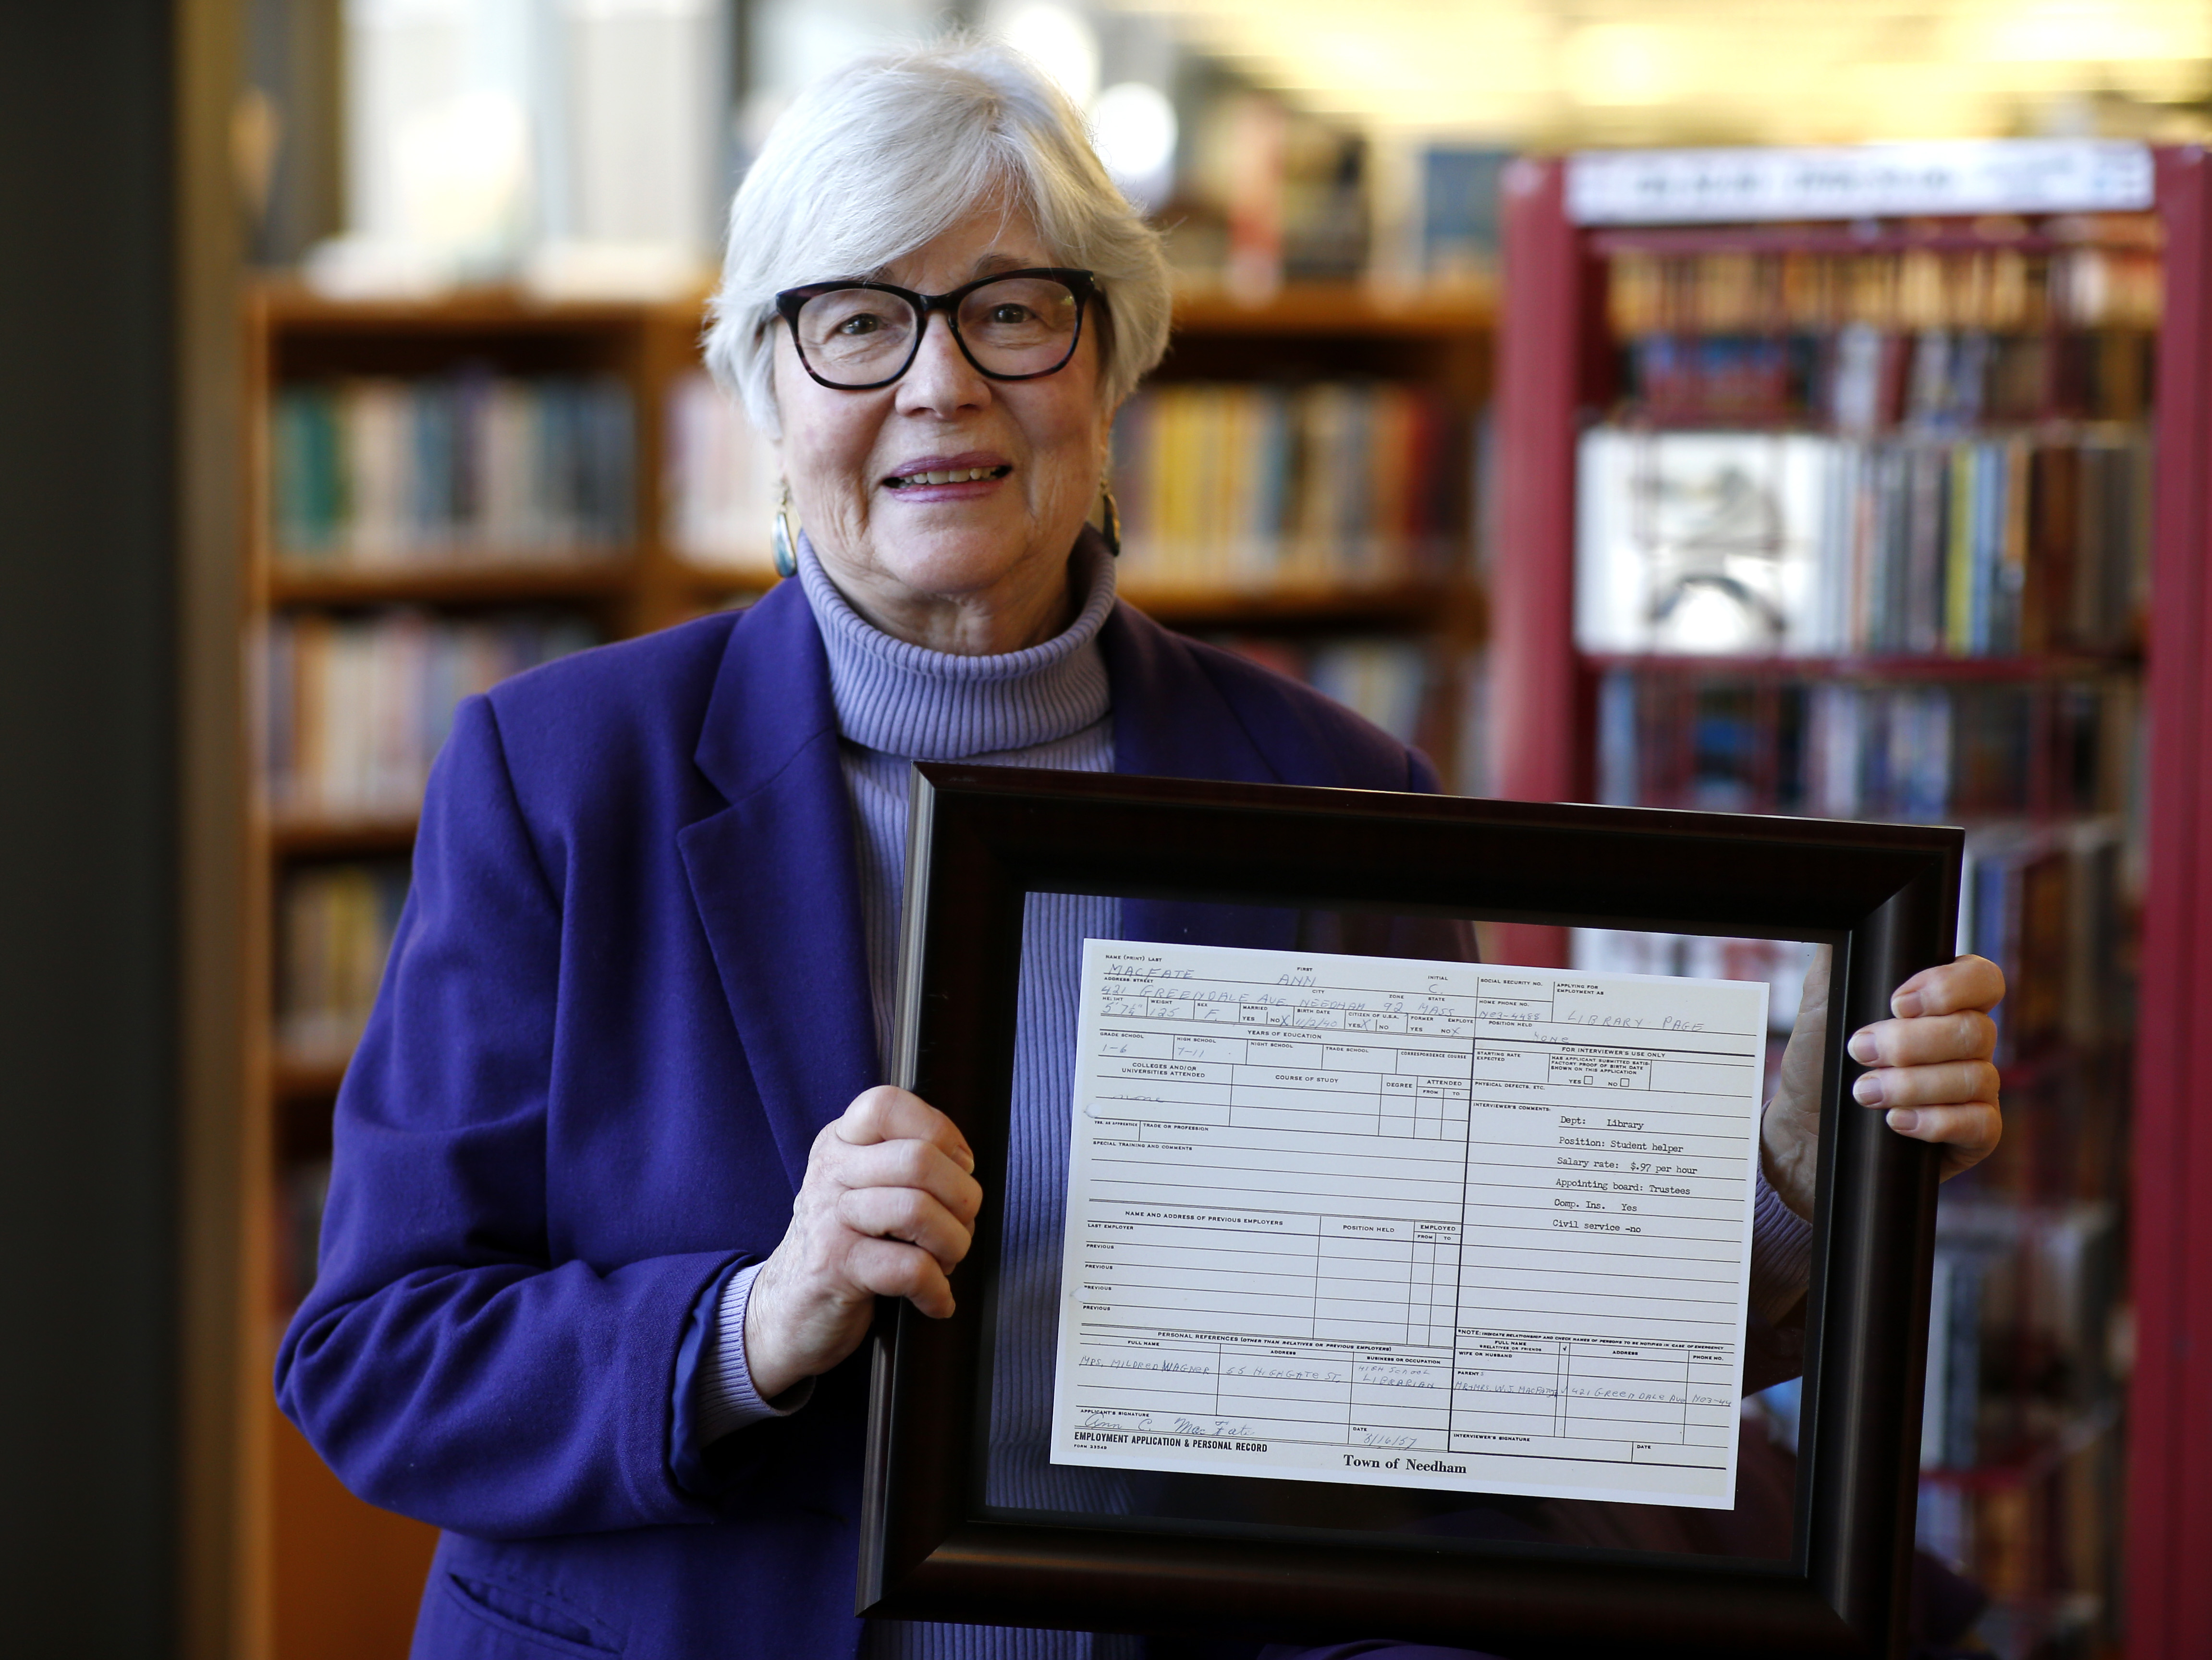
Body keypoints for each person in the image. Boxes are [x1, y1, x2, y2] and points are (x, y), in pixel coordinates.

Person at [275, 38, 2006, 1660]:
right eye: (858, 324)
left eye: (1011, 312)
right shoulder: (566, 775)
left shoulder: (1334, 791)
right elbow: (374, 1357)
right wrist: (748, 1325)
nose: (941, 384)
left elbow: (1461, 1374)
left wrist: (1799, 1186)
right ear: (764, 393)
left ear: (1111, 362)